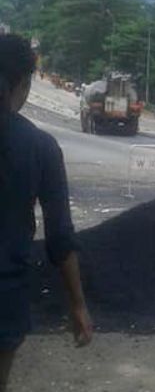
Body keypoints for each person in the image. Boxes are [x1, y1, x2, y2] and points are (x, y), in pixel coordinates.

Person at [0, 35, 92, 391]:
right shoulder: (41, 148)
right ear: (23, 84)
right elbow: (60, 239)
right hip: (5, 299)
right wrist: (78, 306)